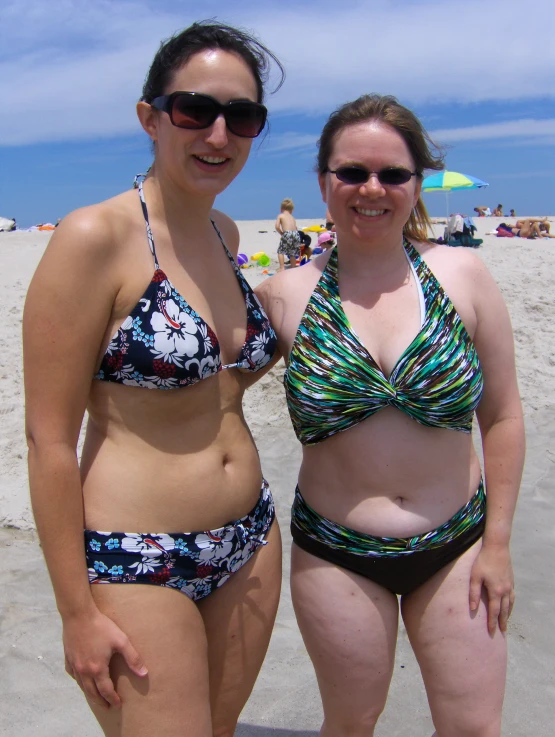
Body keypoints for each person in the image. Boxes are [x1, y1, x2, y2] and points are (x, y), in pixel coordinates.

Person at [23, 21, 284, 737]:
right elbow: (48, 439)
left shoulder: (225, 235)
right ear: (150, 117)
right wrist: (76, 611)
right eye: (194, 110)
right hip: (136, 556)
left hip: (250, 539)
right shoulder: (93, 239)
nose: (218, 133)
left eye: (243, 116)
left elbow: (219, 381)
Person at [256, 94, 524, 736]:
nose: (370, 188)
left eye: (392, 174)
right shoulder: (285, 294)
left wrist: (499, 545)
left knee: (473, 728)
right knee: (351, 723)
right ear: (324, 181)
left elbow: (505, 416)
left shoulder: (462, 274)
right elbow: (198, 397)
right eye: (351, 172)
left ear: (416, 182)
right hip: (335, 553)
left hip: (458, 545)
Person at [276, 197, 301, 271]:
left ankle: (282, 267)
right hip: (296, 233)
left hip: (287, 233)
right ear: (291, 210)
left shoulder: (281, 215)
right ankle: (293, 267)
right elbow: (295, 227)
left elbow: (277, 226)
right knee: (292, 252)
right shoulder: (292, 217)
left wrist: (281, 233)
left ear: (281, 208)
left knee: (281, 251)